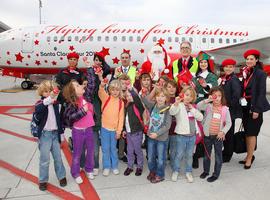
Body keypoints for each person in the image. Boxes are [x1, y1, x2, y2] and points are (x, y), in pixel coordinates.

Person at [62, 65, 96, 184]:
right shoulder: (72, 103)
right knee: (77, 153)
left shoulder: (86, 97)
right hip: (78, 131)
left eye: (78, 84)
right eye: (76, 86)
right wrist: (82, 112)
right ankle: (75, 172)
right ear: (73, 92)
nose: (80, 86)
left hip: (89, 130)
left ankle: (89, 169)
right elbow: (70, 118)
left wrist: (89, 68)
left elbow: (91, 84)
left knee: (90, 151)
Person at [239, 49, 270, 169]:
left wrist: (257, 109)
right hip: (246, 106)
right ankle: (249, 155)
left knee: (252, 133)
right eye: (247, 59)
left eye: (252, 59)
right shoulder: (246, 72)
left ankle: (250, 158)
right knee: (247, 132)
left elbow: (261, 93)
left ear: (257, 60)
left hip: (255, 105)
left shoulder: (260, 73)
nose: (249, 61)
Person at [83, 52, 111, 176]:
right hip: (92, 109)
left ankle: (108, 164)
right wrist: (91, 71)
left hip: (104, 111)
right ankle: (94, 164)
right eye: (96, 60)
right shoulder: (89, 72)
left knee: (106, 144)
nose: (97, 62)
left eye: (100, 60)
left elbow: (107, 91)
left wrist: (100, 77)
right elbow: (89, 88)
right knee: (93, 142)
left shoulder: (106, 73)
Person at [35, 80, 66, 191]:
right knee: (44, 159)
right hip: (45, 135)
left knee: (58, 158)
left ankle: (61, 176)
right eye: (45, 91)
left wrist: (61, 134)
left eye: (50, 91)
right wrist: (50, 98)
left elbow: (59, 120)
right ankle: (43, 180)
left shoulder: (56, 104)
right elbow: (39, 109)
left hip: (55, 134)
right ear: (41, 93)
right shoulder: (40, 103)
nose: (48, 93)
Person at [197, 86, 232, 182]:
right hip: (208, 135)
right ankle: (206, 171)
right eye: (214, 95)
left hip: (218, 137)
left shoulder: (225, 109)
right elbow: (198, 106)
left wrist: (223, 131)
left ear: (222, 97)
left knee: (218, 156)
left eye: (219, 96)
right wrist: (207, 100)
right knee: (207, 155)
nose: (217, 98)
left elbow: (229, 123)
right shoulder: (208, 106)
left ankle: (216, 174)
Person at [169, 86, 203, 183]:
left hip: (192, 136)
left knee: (189, 155)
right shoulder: (179, 105)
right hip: (181, 136)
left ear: (193, 98)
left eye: (191, 96)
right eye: (186, 95)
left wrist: (192, 109)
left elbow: (200, 118)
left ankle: (188, 171)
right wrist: (176, 103)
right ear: (182, 94)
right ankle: (176, 171)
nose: (188, 97)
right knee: (179, 154)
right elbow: (172, 112)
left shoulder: (194, 107)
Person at [192, 51, 218, 168]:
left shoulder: (212, 76)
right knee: (196, 129)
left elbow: (214, 90)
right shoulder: (195, 77)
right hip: (196, 104)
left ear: (208, 64)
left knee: (205, 129)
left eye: (205, 62)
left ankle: (204, 152)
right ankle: (195, 155)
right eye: (201, 62)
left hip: (207, 104)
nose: (203, 64)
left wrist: (205, 86)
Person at [142, 88, 172, 183]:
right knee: (150, 157)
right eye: (158, 96)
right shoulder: (153, 106)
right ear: (155, 97)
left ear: (166, 98)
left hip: (161, 138)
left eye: (163, 96)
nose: (160, 98)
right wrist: (154, 89)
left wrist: (157, 133)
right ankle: (152, 171)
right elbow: (145, 100)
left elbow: (167, 125)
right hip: (151, 136)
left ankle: (160, 174)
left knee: (160, 158)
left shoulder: (168, 109)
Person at [98, 79, 124, 176]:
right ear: (109, 90)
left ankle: (114, 166)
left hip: (114, 130)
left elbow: (121, 118)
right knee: (105, 148)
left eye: (117, 90)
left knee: (113, 148)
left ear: (120, 90)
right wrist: (102, 84)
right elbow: (100, 91)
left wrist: (119, 131)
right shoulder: (106, 98)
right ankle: (106, 166)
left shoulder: (121, 102)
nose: (115, 92)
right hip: (104, 128)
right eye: (113, 90)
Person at [219, 58, 242, 162]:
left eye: (230, 67)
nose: (228, 68)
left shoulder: (234, 79)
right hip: (224, 109)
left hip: (229, 111)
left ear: (234, 68)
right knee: (225, 131)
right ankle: (226, 151)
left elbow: (236, 96)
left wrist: (228, 107)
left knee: (228, 133)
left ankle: (228, 154)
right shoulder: (225, 78)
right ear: (223, 68)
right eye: (226, 67)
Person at [122, 89, 145, 176]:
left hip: (137, 132)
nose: (128, 97)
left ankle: (139, 167)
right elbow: (126, 119)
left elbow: (137, 99)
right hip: (129, 133)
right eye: (127, 96)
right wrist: (124, 129)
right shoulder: (127, 106)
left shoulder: (138, 105)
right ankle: (130, 166)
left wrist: (131, 90)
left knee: (137, 150)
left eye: (130, 95)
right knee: (129, 151)